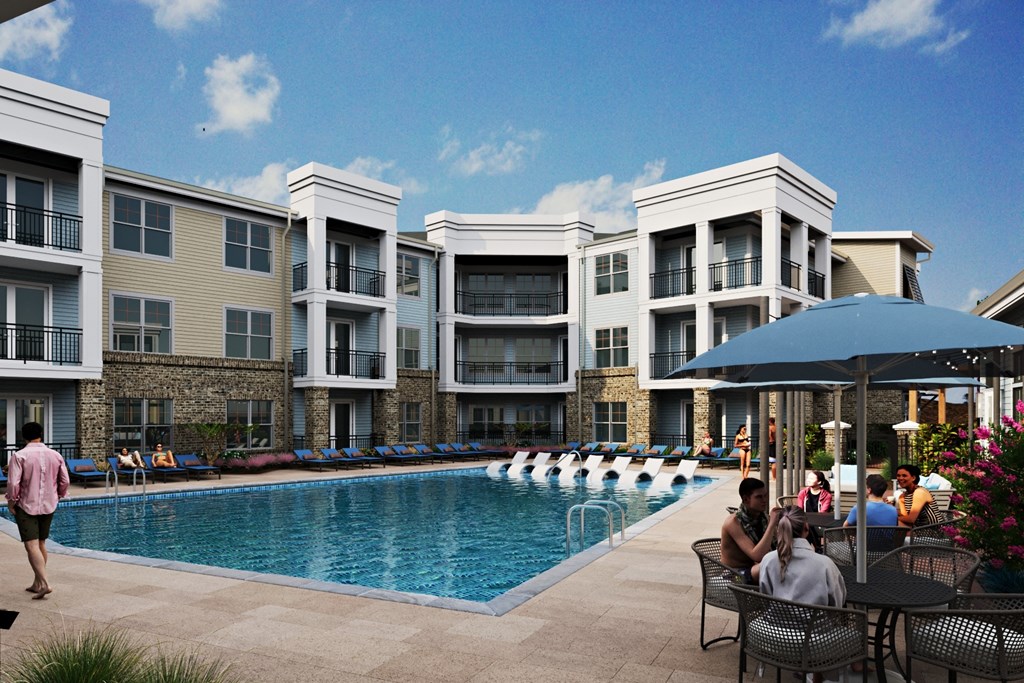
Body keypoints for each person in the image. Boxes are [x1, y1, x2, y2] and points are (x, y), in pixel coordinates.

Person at [759, 506, 847, 683]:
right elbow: (837, 604)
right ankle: (818, 675)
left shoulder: (768, 560)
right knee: (839, 624)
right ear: (806, 528)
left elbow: (765, 597)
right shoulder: (824, 564)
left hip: (774, 634)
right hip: (816, 640)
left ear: (779, 529)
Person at [5, 421, 69, 600]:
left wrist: (11, 502)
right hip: (49, 504)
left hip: (27, 504)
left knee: (31, 545)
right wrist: (59, 495)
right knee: (41, 543)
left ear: (23, 436)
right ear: (41, 434)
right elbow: (64, 480)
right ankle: (37, 583)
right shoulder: (55, 455)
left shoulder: (19, 456)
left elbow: (13, 484)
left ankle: (45, 583)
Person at [721, 478, 780, 583]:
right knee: (770, 566)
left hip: (753, 568)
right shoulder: (733, 522)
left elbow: (778, 545)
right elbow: (757, 556)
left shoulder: (763, 518)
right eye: (759, 497)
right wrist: (771, 525)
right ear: (746, 499)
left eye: (765, 495)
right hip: (734, 575)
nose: (764, 500)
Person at [895, 463, 942, 527]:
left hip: (933, 530)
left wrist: (891, 518)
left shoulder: (920, 492)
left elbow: (911, 519)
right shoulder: (902, 497)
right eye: (898, 475)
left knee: (893, 523)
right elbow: (905, 518)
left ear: (913, 478)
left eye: (904, 475)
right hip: (917, 529)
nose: (900, 478)